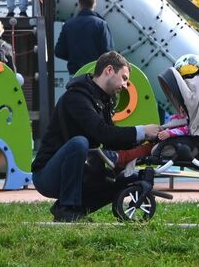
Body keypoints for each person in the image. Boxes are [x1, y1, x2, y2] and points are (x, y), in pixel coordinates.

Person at [31, 51, 162, 222]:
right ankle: (67, 208)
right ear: (109, 70)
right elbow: (102, 133)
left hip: (77, 169)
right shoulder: (76, 97)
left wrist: (146, 144)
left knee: (119, 182)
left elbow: (112, 140)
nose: (125, 85)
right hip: (47, 175)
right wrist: (143, 131)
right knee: (79, 143)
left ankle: (75, 212)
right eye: (123, 78)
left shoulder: (102, 100)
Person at [55, 0, 113, 76]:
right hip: (96, 74)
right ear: (94, 4)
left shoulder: (68, 25)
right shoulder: (101, 24)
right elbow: (108, 53)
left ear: (79, 4)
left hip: (76, 73)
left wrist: (73, 57)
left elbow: (59, 51)